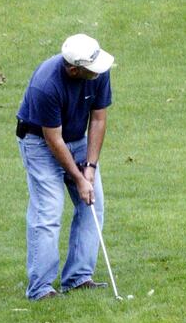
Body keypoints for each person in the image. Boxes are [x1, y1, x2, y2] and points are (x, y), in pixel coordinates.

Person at [15, 32, 114, 300]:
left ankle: (78, 277)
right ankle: (40, 288)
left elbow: (98, 121)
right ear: (73, 70)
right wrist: (78, 178)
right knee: (48, 210)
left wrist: (90, 168)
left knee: (93, 204)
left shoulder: (98, 69)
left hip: (77, 139)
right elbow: (53, 138)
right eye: (90, 70)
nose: (98, 72)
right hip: (40, 142)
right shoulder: (46, 85)